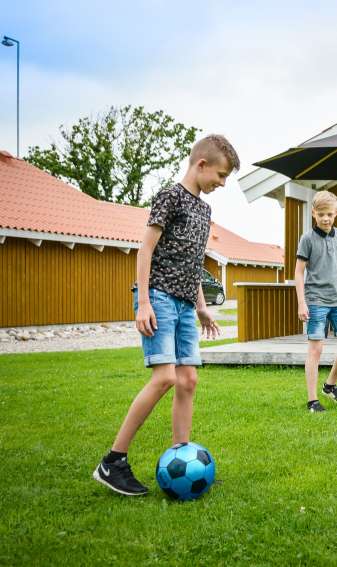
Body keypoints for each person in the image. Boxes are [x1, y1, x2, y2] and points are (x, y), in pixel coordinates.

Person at [93, 134, 240, 496]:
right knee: (165, 379)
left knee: (187, 379)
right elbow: (145, 249)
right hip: (158, 298)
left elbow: (194, 264)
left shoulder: (205, 209)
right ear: (201, 165)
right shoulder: (170, 196)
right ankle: (112, 462)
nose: (222, 183)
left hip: (187, 305)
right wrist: (143, 302)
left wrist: (203, 307)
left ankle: (181, 458)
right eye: (220, 175)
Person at [296, 190, 337, 413]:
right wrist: (301, 303)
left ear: (336, 213)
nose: (325, 218)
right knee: (316, 349)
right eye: (321, 214)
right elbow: (298, 272)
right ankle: (313, 401)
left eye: (329, 214)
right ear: (313, 213)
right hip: (315, 300)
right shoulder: (307, 239)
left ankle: (329, 386)